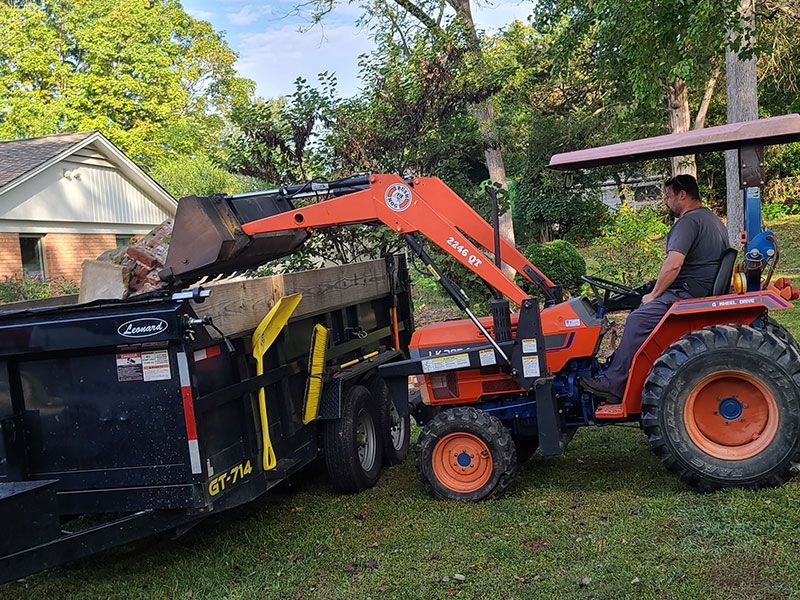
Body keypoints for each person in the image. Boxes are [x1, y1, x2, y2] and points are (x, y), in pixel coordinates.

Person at [581, 174, 730, 403]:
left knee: (636, 320)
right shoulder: (712, 219)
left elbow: (674, 264)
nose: (665, 201)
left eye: (669, 196)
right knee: (636, 309)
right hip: (699, 289)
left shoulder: (689, 222)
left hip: (687, 293)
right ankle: (620, 368)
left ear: (682, 195)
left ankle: (613, 384)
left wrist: (654, 294)